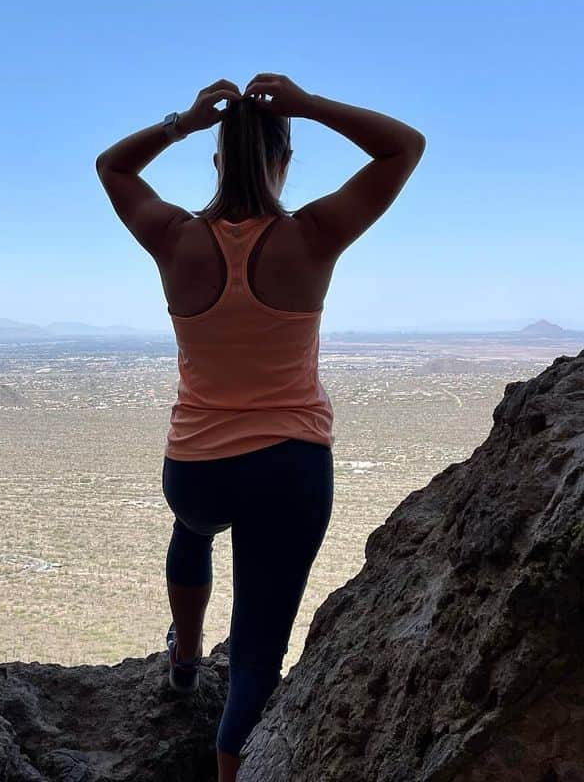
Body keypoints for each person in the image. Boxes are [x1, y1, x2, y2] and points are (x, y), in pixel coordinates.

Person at [95, 74, 426, 782]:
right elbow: (403, 147)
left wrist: (181, 121)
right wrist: (309, 106)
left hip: (195, 469)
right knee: (256, 654)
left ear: (217, 163)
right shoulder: (313, 235)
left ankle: (183, 658)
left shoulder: (172, 237)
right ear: (282, 162)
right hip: (289, 468)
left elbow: (112, 166)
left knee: (192, 530)